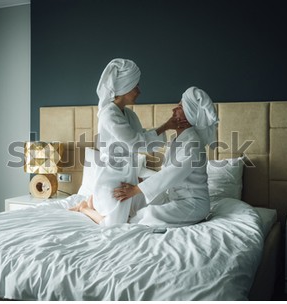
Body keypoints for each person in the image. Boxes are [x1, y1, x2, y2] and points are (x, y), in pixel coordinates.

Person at [73, 86, 219, 228]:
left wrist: (136, 188)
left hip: (191, 204)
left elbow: (170, 175)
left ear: (189, 116)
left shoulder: (193, 145)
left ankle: (86, 209)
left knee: (148, 214)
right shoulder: (178, 140)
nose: (173, 110)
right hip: (174, 197)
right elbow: (163, 170)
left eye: (180, 107)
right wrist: (141, 183)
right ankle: (94, 205)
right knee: (133, 201)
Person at [70, 58, 186, 226]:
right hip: (110, 178)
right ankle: (84, 207)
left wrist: (167, 130)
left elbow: (142, 137)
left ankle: (93, 200)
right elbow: (135, 143)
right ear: (124, 88)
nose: (139, 91)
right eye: (135, 86)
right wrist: (166, 126)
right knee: (113, 224)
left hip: (128, 178)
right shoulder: (108, 114)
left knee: (145, 211)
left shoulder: (129, 114)